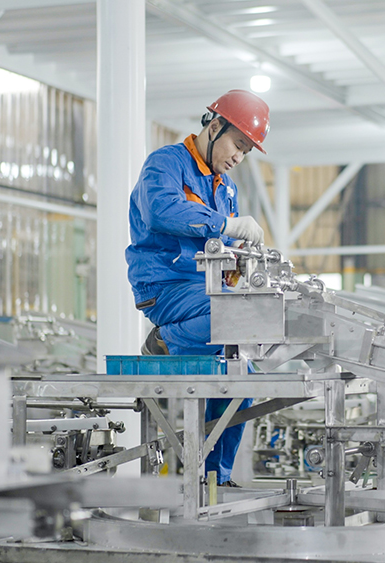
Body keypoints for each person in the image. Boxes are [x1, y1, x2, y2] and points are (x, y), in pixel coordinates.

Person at [126, 89, 270, 486]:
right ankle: (166, 340)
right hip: (165, 285)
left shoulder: (226, 189)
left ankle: (214, 477)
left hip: (206, 290)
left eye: (246, 152)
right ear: (215, 125)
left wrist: (240, 259)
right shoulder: (166, 163)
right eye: (237, 144)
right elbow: (162, 211)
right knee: (232, 316)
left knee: (243, 379)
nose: (239, 157)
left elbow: (223, 247)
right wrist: (225, 224)